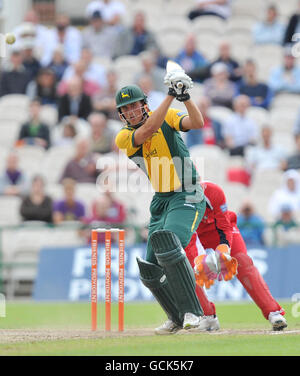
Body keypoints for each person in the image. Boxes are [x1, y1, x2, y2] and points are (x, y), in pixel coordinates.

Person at [114, 72, 209, 333]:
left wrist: (186, 97)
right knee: (150, 269)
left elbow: (198, 122)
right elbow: (147, 131)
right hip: (161, 200)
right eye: (126, 108)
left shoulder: (167, 115)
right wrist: (171, 95)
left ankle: (193, 312)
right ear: (121, 114)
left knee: (170, 244)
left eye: (134, 105)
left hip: (187, 193)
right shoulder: (123, 137)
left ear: (144, 104)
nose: (131, 111)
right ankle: (177, 317)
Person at [182, 181, 287, 334]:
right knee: (190, 272)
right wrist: (199, 264)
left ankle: (274, 313)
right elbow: (188, 237)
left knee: (243, 262)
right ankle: (208, 316)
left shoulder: (213, 191)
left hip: (218, 230)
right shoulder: (177, 200)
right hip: (194, 234)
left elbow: (224, 225)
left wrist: (223, 251)